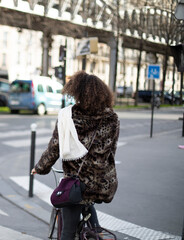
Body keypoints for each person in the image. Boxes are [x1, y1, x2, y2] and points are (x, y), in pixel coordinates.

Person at [31, 71, 120, 239]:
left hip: (76, 183)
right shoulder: (112, 118)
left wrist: (39, 168)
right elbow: (111, 151)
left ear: (77, 92)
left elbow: (54, 148)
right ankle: (96, 231)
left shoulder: (67, 115)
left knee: (68, 231)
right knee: (90, 212)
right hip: (102, 183)